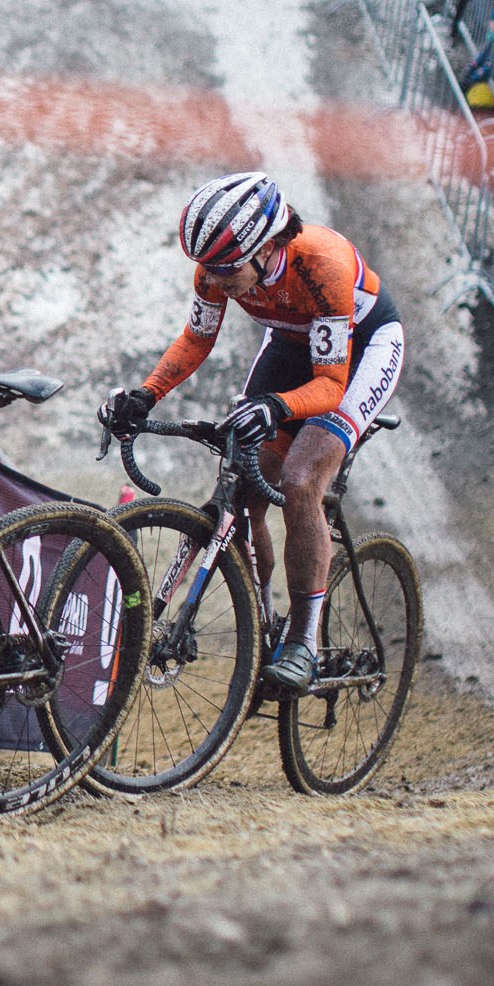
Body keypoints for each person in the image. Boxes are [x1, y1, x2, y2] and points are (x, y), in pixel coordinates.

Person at [99, 174, 405, 695]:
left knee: (300, 478)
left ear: (266, 247)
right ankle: (263, 623)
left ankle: (304, 642)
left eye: (225, 270)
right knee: (242, 485)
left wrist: (278, 406)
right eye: (206, 269)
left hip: (361, 353)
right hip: (289, 345)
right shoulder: (215, 267)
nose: (214, 281)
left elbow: (331, 383)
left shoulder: (322, 264)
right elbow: (198, 337)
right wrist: (146, 394)